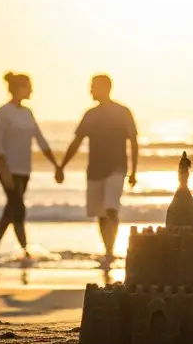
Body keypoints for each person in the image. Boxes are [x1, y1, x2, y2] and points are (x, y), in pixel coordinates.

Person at [56, 74, 138, 267]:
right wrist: (62, 166)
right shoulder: (90, 115)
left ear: (105, 88)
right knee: (101, 213)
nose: (90, 91)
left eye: (93, 87)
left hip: (117, 168)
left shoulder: (122, 112)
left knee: (111, 208)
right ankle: (107, 250)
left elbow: (133, 141)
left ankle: (110, 249)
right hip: (95, 170)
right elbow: (76, 142)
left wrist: (134, 171)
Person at [0, 72, 59, 262]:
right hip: (8, 169)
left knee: (11, 209)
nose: (31, 90)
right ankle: (25, 250)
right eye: (28, 86)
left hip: (24, 169)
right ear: (19, 88)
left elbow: (40, 139)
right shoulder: (2, 113)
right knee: (18, 207)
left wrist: (56, 164)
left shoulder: (28, 113)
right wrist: (4, 171)